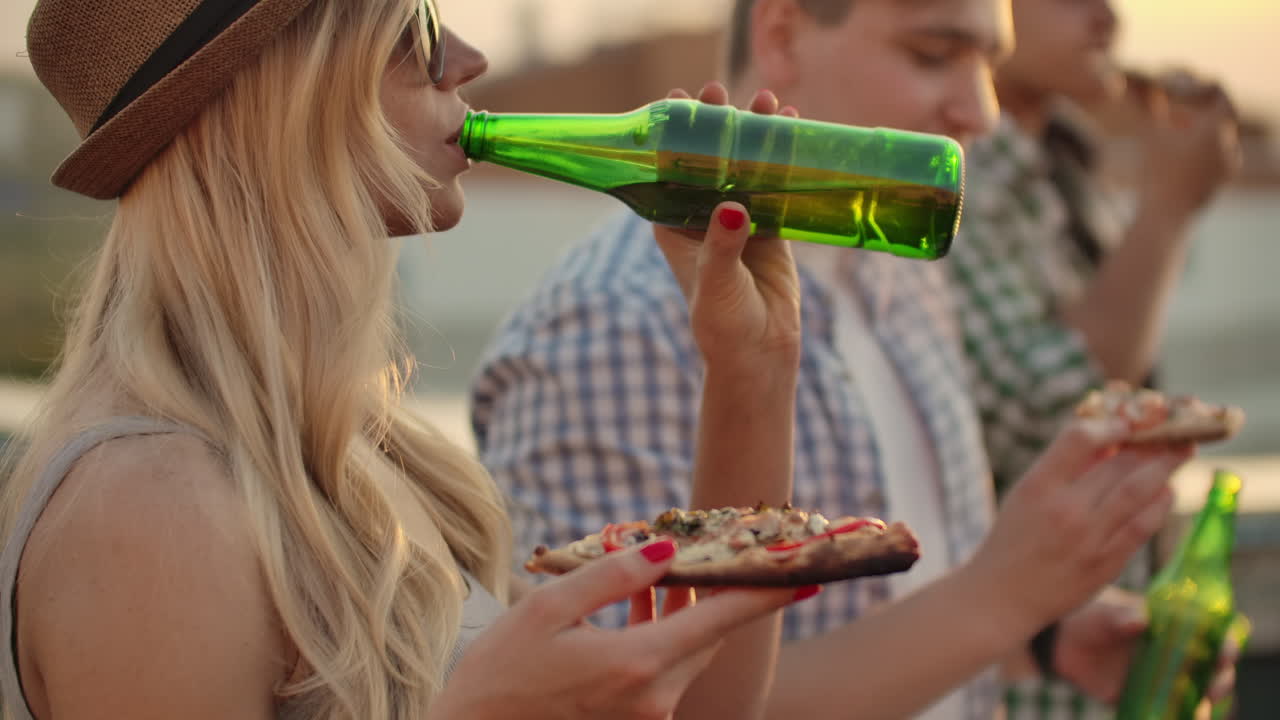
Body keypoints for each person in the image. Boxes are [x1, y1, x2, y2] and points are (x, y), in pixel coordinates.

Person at [0, 1, 823, 718]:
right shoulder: (149, 506)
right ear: (288, 90)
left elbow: (700, 709)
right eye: (416, 25)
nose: (468, 60)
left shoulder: (363, 461)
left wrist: (752, 369)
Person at [470, 1, 1232, 718]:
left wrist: (1041, 638)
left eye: (988, 65)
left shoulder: (901, 271)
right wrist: (1006, 597)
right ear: (781, 33)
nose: (984, 113)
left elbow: (905, 616)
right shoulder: (609, 323)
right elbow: (622, 698)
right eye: (934, 54)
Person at [944, 0, 1241, 716]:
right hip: (1015, 689)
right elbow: (1050, 407)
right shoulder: (952, 182)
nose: (1108, 16)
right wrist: (1167, 206)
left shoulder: (1063, 170)